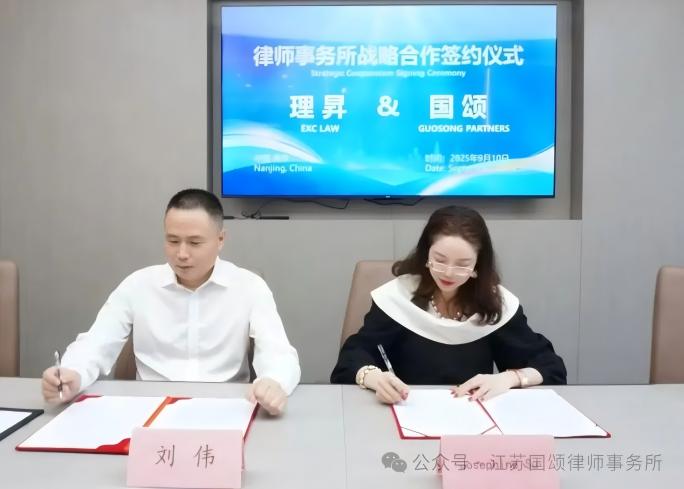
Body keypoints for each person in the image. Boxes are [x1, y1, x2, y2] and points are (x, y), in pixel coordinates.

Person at [42, 189, 300, 415]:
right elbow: (97, 342)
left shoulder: (249, 287)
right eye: (172, 241)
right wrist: (73, 372)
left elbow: (278, 352)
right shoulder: (138, 285)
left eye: (195, 242)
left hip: (225, 410)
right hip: (147, 411)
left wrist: (273, 382)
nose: (182, 254)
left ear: (220, 239)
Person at [330, 205, 566, 403]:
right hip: (405, 410)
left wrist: (509, 378)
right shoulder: (397, 298)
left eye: (462, 264)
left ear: (477, 265)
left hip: (473, 419)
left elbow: (550, 366)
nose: (449, 273)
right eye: (440, 260)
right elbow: (353, 357)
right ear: (426, 255)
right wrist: (375, 378)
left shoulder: (496, 304)